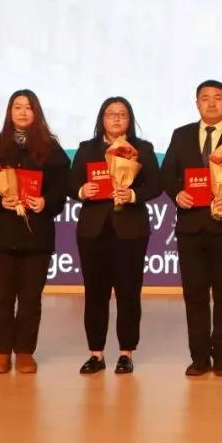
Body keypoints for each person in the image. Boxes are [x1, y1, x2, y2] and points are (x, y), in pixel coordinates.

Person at [161, 80, 222, 377]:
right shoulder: (181, 135)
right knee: (195, 295)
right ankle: (199, 357)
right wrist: (177, 193)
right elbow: (167, 174)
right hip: (191, 226)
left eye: (218, 98)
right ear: (197, 104)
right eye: (205, 98)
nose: (212, 103)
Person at [0, 89, 70, 375]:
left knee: (30, 298)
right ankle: (1, 352)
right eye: (17, 107)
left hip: (36, 235)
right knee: (1, 297)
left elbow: (63, 187)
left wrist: (46, 202)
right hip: (0, 234)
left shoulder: (51, 148)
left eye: (28, 107)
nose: (23, 112)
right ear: (9, 113)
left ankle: (25, 351)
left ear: (36, 112)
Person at [70, 96, 162, 375]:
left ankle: (126, 353)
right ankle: (95, 354)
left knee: (128, 293)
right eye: (111, 114)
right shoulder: (87, 149)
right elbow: (70, 183)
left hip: (131, 229)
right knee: (95, 293)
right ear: (102, 119)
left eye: (122, 114)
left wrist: (132, 194)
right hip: (93, 230)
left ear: (130, 120)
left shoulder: (142, 149)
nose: (117, 119)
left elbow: (156, 185)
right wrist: (82, 191)